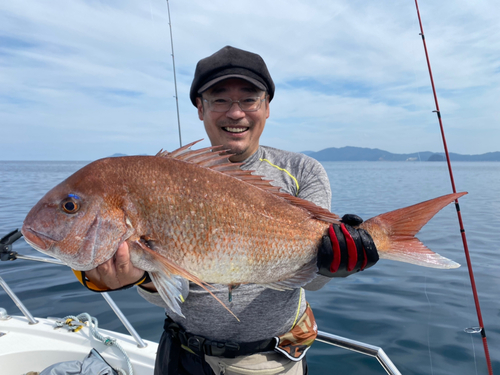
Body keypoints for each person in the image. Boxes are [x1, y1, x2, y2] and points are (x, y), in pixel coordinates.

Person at [81, 46, 379, 375]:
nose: (235, 113)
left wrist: (333, 264)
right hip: (179, 354)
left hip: (269, 362)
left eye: (249, 99)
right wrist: (142, 280)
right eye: (220, 99)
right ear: (200, 108)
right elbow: (164, 294)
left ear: (266, 107)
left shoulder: (303, 171)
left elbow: (311, 283)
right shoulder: (163, 177)